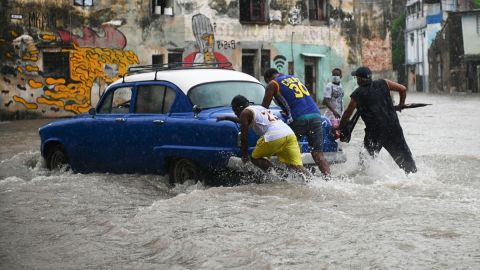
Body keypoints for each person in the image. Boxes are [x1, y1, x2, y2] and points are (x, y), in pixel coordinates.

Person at [338, 66, 417, 174]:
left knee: (364, 163)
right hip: (394, 129)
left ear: (360, 79)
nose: (356, 80)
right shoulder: (384, 83)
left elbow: (347, 113)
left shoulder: (358, 93)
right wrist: (401, 105)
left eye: (357, 78)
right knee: (408, 166)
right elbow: (403, 89)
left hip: (374, 133)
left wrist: (340, 126)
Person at [217, 95, 311, 177]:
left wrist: (244, 155)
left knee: (255, 158)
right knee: (296, 166)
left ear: (238, 108)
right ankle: (313, 181)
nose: (235, 113)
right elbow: (245, 120)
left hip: (274, 136)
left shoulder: (244, 113)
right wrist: (228, 117)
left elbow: (244, 137)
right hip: (289, 134)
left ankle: (279, 175)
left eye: (234, 110)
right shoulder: (258, 108)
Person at [262, 68, 331, 176]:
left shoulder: (273, 83)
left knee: (285, 150)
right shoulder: (294, 78)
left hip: (299, 119)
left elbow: (264, 108)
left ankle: (301, 178)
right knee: (318, 153)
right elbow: (296, 98)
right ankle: (328, 179)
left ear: (267, 79)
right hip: (316, 115)